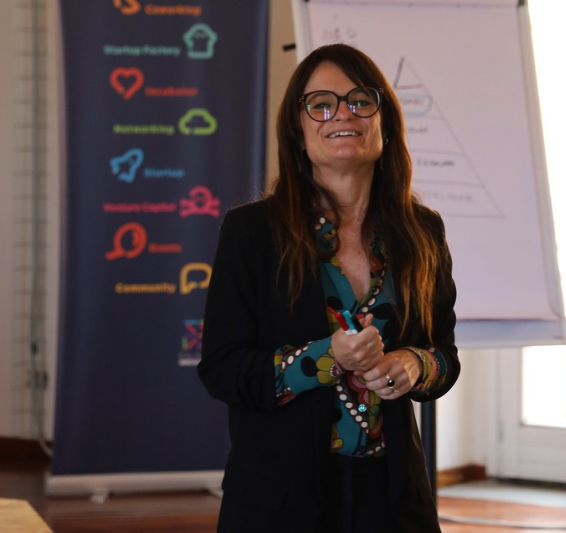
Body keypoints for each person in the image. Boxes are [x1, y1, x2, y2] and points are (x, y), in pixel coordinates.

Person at [197, 43, 460, 533]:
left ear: (385, 123)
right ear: (298, 132)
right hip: (281, 499)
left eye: (361, 100)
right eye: (321, 104)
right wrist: (326, 357)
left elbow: (444, 356)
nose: (343, 113)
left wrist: (414, 364)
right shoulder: (252, 232)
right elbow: (222, 369)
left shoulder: (422, 231)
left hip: (394, 499)